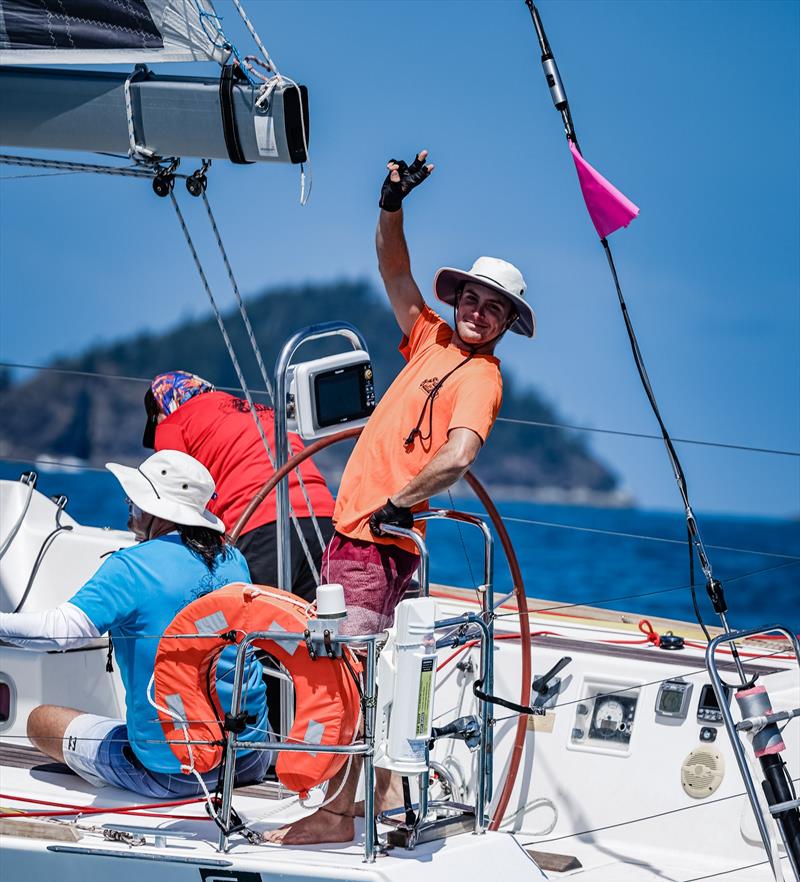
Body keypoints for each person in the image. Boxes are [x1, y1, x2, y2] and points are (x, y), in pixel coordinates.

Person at [263, 149, 536, 846]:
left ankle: (336, 812)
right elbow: (393, 269)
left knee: (348, 677)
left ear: (506, 322)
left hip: (374, 540)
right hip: (358, 533)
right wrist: (391, 202)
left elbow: (460, 453)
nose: (478, 313)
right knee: (356, 668)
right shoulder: (431, 340)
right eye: (472, 299)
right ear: (458, 301)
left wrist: (399, 501)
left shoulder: (482, 379)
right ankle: (367, 794)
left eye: (493, 308)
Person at [0, 450, 271, 799]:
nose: (129, 503)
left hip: (173, 771)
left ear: (156, 509)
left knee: (41, 720)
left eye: (135, 497)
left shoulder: (131, 567)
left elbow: (60, 631)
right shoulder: (233, 560)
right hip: (250, 757)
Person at [144, 371, 336, 600]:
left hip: (259, 526)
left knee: (254, 627)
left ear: (162, 407)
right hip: (324, 520)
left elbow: (169, 497)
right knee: (315, 623)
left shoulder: (174, 422)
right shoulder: (259, 410)